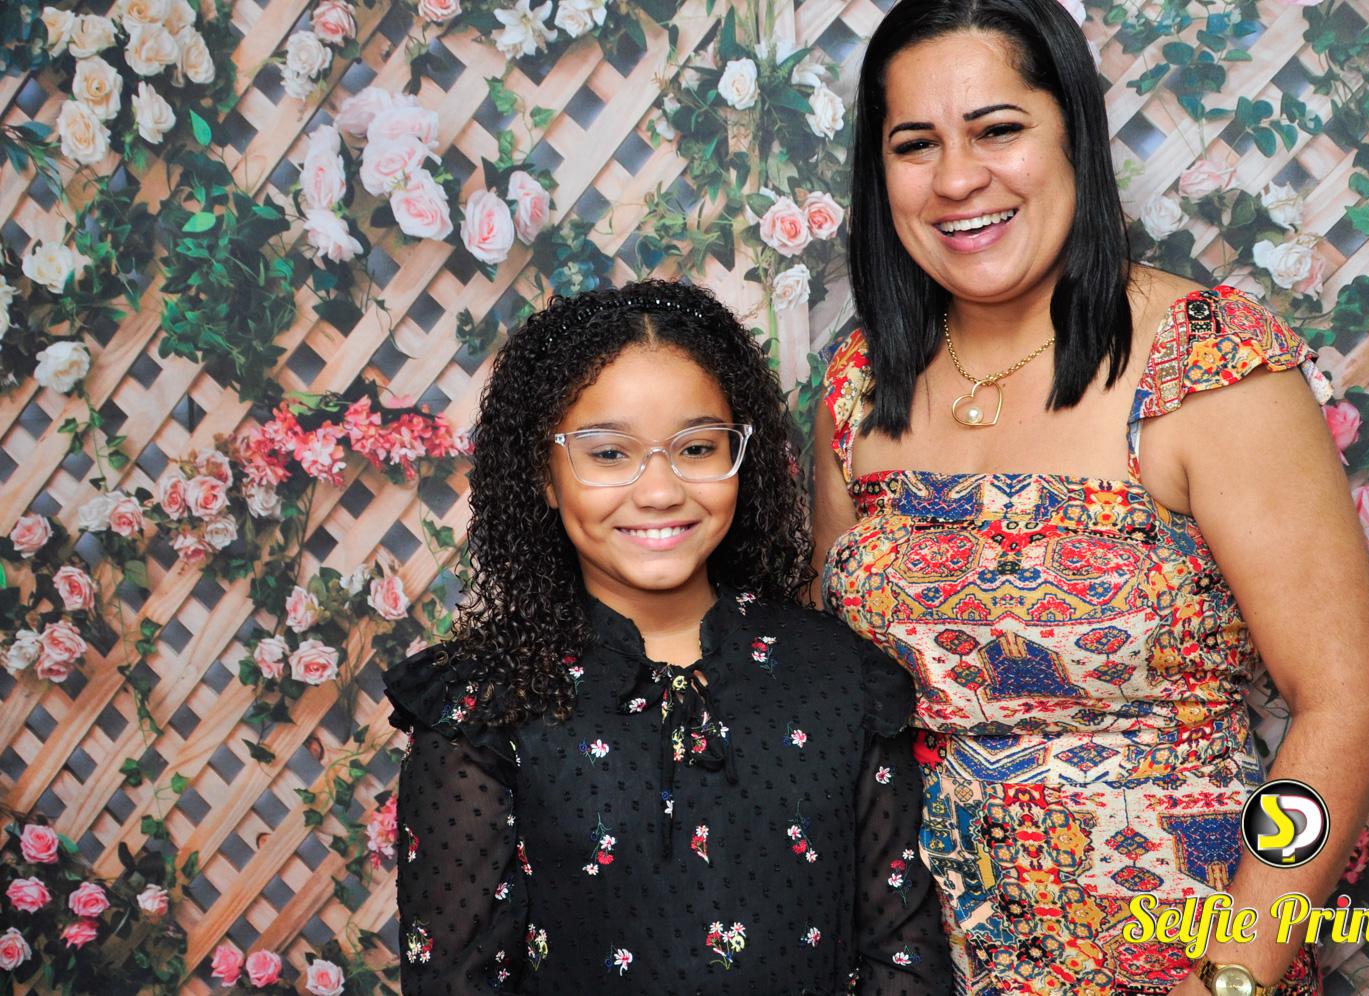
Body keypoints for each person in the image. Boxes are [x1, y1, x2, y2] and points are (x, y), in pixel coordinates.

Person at [812, 1, 1369, 993]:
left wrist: (1237, 973)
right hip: (913, 963)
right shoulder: (859, 384)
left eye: (998, 129)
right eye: (916, 144)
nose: (956, 179)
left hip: (1181, 958)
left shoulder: (1203, 359)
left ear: (1072, 135)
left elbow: (1352, 703)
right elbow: (824, 703)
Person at [385, 280, 951, 995]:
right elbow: (456, 980)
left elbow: (902, 955)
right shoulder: (481, 710)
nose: (659, 491)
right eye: (608, 454)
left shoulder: (841, 677)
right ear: (544, 475)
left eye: (698, 447)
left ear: (742, 457)